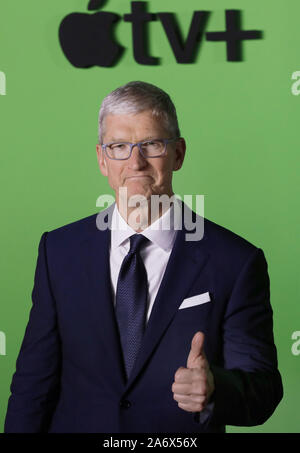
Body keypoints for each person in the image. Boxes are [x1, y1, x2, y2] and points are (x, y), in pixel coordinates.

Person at [4, 81, 283, 433]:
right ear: (102, 159)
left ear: (178, 153)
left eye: (151, 144)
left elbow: (263, 389)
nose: (135, 162)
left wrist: (215, 390)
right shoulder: (58, 251)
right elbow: (33, 384)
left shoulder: (236, 261)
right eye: (119, 146)